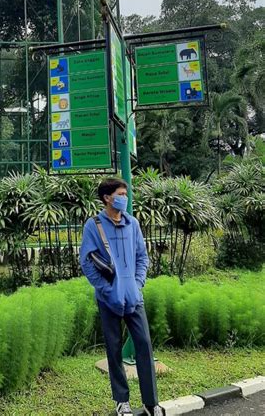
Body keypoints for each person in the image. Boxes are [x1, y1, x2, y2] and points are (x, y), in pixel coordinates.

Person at [80, 178, 161, 416]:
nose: (124, 197)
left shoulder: (132, 223)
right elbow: (87, 263)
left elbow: (142, 257)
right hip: (108, 301)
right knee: (114, 349)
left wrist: (137, 285)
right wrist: (107, 291)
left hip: (134, 298)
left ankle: (151, 403)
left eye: (125, 193)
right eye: (121, 193)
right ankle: (121, 401)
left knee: (144, 346)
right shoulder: (93, 225)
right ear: (107, 198)